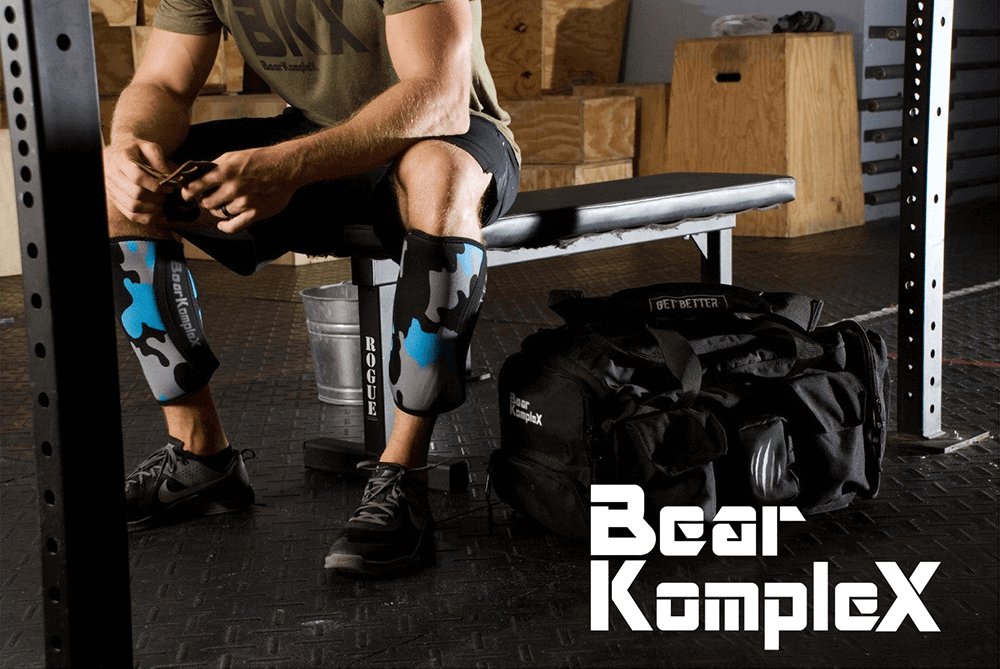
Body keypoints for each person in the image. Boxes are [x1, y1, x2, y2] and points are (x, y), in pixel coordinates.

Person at [103, 0, 519, 577]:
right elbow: (163, 85)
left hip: (445, 133)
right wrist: (128, 146)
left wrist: (289, 168)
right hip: (311, 133)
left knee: (438, 173)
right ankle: (200, 455)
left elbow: (439, 95)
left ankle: (404, 475)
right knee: (122, 192)